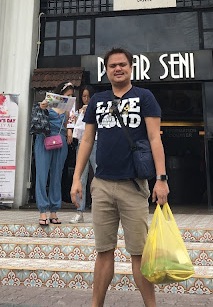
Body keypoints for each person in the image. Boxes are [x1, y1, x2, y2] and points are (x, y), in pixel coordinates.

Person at [70, 48, 169, 307]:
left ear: (131, 68)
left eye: (122, 64)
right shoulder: (97, 100)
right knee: (103, 252)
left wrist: (161, 179)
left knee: (139, 253)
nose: (118, 69)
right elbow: (87, 140)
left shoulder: (144, 97)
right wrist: (77, 178)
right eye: (113, 65)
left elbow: (155, 138)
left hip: (133, 186)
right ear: (106, 70)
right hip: (102, 185)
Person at [34, 81, 74, 226]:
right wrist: (42, 107)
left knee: (57, 176)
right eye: (67, 95)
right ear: (61, 94)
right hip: (44, 139)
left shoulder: (68, 108)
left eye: (71, 95)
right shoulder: (48, 103)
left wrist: (69, 130)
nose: (69, 97)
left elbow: (69, 122)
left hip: (60, 140)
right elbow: (37, 117)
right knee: (42, 175)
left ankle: (54, 210)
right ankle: (42, 211)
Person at [68, 85, 97, 223]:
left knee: (99, 176)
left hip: (96, 142)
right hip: (81, 143)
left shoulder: (98, 109)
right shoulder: (80, 111)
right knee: (81, 177)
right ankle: (79, 212)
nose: (86, 99)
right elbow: (74, 127)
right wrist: (78, 115)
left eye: (88, 96)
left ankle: (100, 210)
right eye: (84, 96)